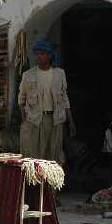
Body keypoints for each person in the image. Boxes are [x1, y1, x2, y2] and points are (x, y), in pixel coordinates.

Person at [18, 39, 76, 173]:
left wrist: (71, 122)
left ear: (49, 55)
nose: (38, 56)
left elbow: (64, 98)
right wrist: (24, 117)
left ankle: (51, 190)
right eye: (36, 54)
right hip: (34, 120)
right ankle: (32, 188)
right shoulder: (28, 75)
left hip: (54, 120)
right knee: (31, 156)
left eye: (42, 53)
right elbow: (21, 98)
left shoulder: (59, 74)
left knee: (53, 157)